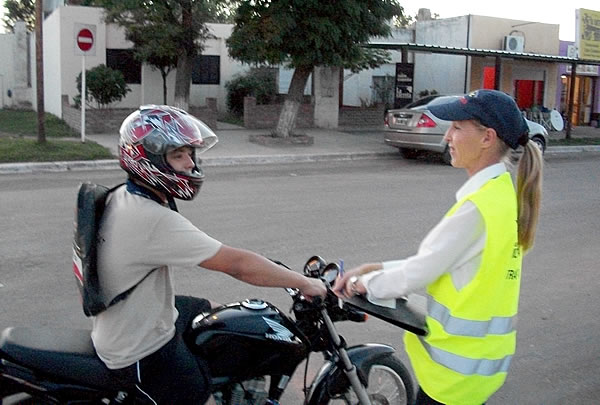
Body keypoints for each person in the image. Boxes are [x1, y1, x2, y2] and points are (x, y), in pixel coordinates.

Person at [92, 105, 326, 404]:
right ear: (147, 160)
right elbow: (238, 265)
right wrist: (305, 283)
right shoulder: (150, 218)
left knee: (219, 312)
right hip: (136, 348)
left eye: (191, 153)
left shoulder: (124, 196)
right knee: (197, 389)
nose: (190, 163)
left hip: (135, 316)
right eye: (178, 155)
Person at [333, 90, 543, 405]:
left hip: (451, 381)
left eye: (457, 127)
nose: (447, 136)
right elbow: (447, 262)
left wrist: (360, 283)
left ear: (487, 138)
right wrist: (377, 267)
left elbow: (418, 273)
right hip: (476, 371)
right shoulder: (500, 195)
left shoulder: (477, 209)